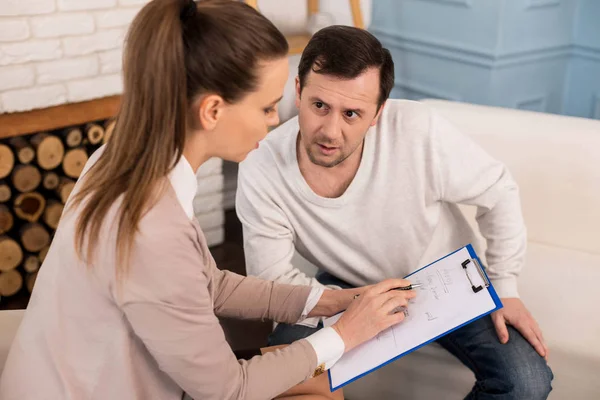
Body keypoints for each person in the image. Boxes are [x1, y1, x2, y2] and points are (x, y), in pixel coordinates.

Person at [0, 3, 417, 400]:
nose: (276, 121)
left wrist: (333, 300)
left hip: (73, 371)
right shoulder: (153, 228)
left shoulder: (125, 161)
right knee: (323, 381)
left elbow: (208, 283)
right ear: (213, 110)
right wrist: (345, 334)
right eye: (268, 107)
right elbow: (227, 391)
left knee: (323, 383)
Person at [237, 25, 554, 399]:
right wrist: (359, 306)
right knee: (280, 371)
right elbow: (271, 280)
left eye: (352, 113)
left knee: (527, 382)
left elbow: (498, 191)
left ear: (377, 114)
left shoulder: (418, 130)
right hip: (345, 285)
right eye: (319, 106)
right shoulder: (261, 165)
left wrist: (506, 286)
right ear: (299, 91)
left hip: (445, 277)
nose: (330, 131)